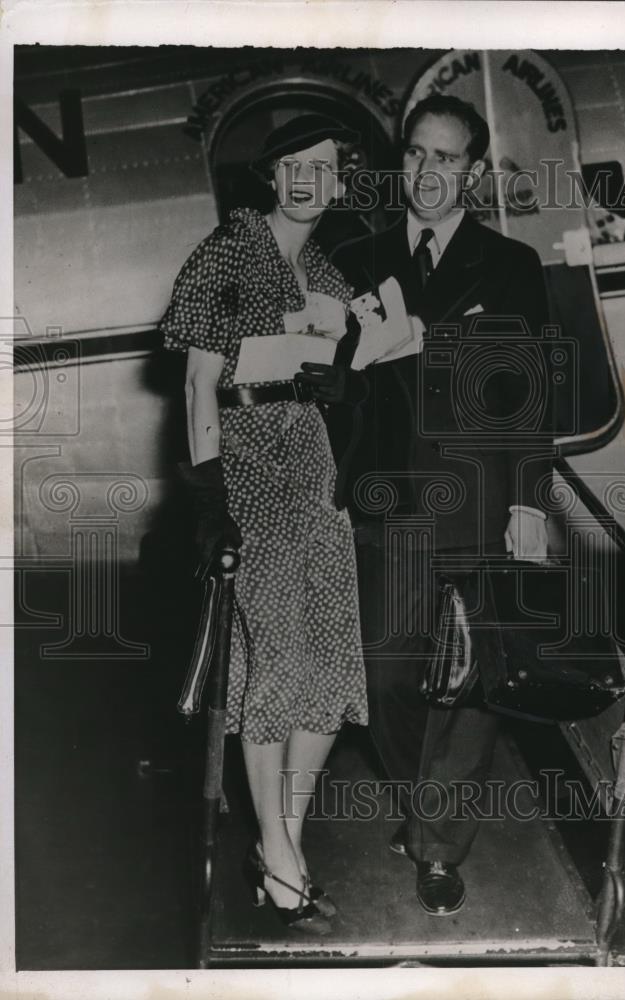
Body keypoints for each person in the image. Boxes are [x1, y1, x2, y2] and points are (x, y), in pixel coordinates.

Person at [300, 95, 553, 916]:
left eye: (446, 159)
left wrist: (529, 502)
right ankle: (423, 806)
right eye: (416, 155)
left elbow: (524, 396)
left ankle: (438, 845)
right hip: (387, 498)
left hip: (478, 497)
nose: (427, 173)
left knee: (473, 682)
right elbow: (327, 383)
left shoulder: (509, 265)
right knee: (387, 672)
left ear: (473, 172)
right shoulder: (354, 255)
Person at [159, 114, 369, 934]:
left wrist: (343, 359)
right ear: (271, 178)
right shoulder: (225, 253)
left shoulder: (322, 268)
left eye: (323, 168)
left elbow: (342, 377)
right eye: (292, 166)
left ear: (341, 184)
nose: (307, 181)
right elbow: (195, 386)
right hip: (246, 467)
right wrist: (213, 504)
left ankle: (283, 840)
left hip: (310, 467)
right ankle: (278, 859)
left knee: (329, 664)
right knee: (275, 662)